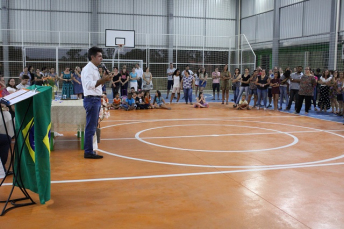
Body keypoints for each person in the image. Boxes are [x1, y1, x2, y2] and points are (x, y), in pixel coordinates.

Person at [81, 46, 111, 159]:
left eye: (101, 56)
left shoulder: (94, 69)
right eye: (99, 56)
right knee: (91, 127)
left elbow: (96, 85)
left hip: (95, 98)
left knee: (92, 126)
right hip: (92, 99)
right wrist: (104, 80)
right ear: (92, 57)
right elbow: (89, 85)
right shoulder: (88, 69)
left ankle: (89, 150)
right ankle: (88, 151)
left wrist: (103, 79)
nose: (101, 58)